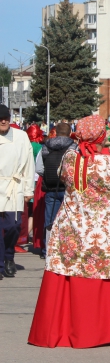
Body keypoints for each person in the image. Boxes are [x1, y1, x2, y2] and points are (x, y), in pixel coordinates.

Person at [28, 115, 110, 347]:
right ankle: (104, 330)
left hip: (73, 229)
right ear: (99, 137)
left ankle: (62, 330)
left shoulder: (69, 159)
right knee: (107, 272)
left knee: (69, 271)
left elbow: (64, 173)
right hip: (105, 231)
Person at [0, 104, 35, 279]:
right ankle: (1, 263)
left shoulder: (21, 137)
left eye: (6, 117)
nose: (3, 121)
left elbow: (29, 163)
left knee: (13, 226)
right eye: (0, 119)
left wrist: (29, 189)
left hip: (14, 186)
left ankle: (8, 256)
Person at [35, 123, 76, 259]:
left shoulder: (46, 146)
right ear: (70, 132)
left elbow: (39, 168)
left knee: (50, 221)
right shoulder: (74, 147)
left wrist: (48, 175)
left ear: (56, 132)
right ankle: (65, 250)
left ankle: (48, 251)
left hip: (50, 188)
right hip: (68, 189)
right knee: (68, 221)